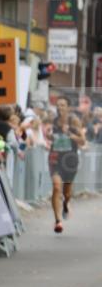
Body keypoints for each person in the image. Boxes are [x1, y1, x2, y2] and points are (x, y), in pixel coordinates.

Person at [48, 96, 86, 233]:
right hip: (55, 158)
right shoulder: (53, 121)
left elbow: (82, 140)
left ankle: (65, 203)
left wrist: (69, 133)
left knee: (67, 192)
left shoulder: (73, 120)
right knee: (56, 187)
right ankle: (58, 221)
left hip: (70, 159)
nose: (60, 108)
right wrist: (49, 136)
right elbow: (49, 136)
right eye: (58, 105)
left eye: (63, 105)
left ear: (68, 107)